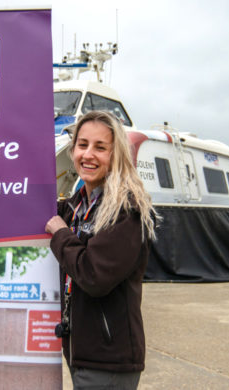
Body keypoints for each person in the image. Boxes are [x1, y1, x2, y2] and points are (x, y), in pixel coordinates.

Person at [45, 110, 157, 389]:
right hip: (82, 352)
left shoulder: (126, 208)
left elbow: (94, 275)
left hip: (108, 361)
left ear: (116, 153)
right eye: (82, 145)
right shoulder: (76, 205)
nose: (88, 154)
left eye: (100, 147)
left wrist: (60, 234)